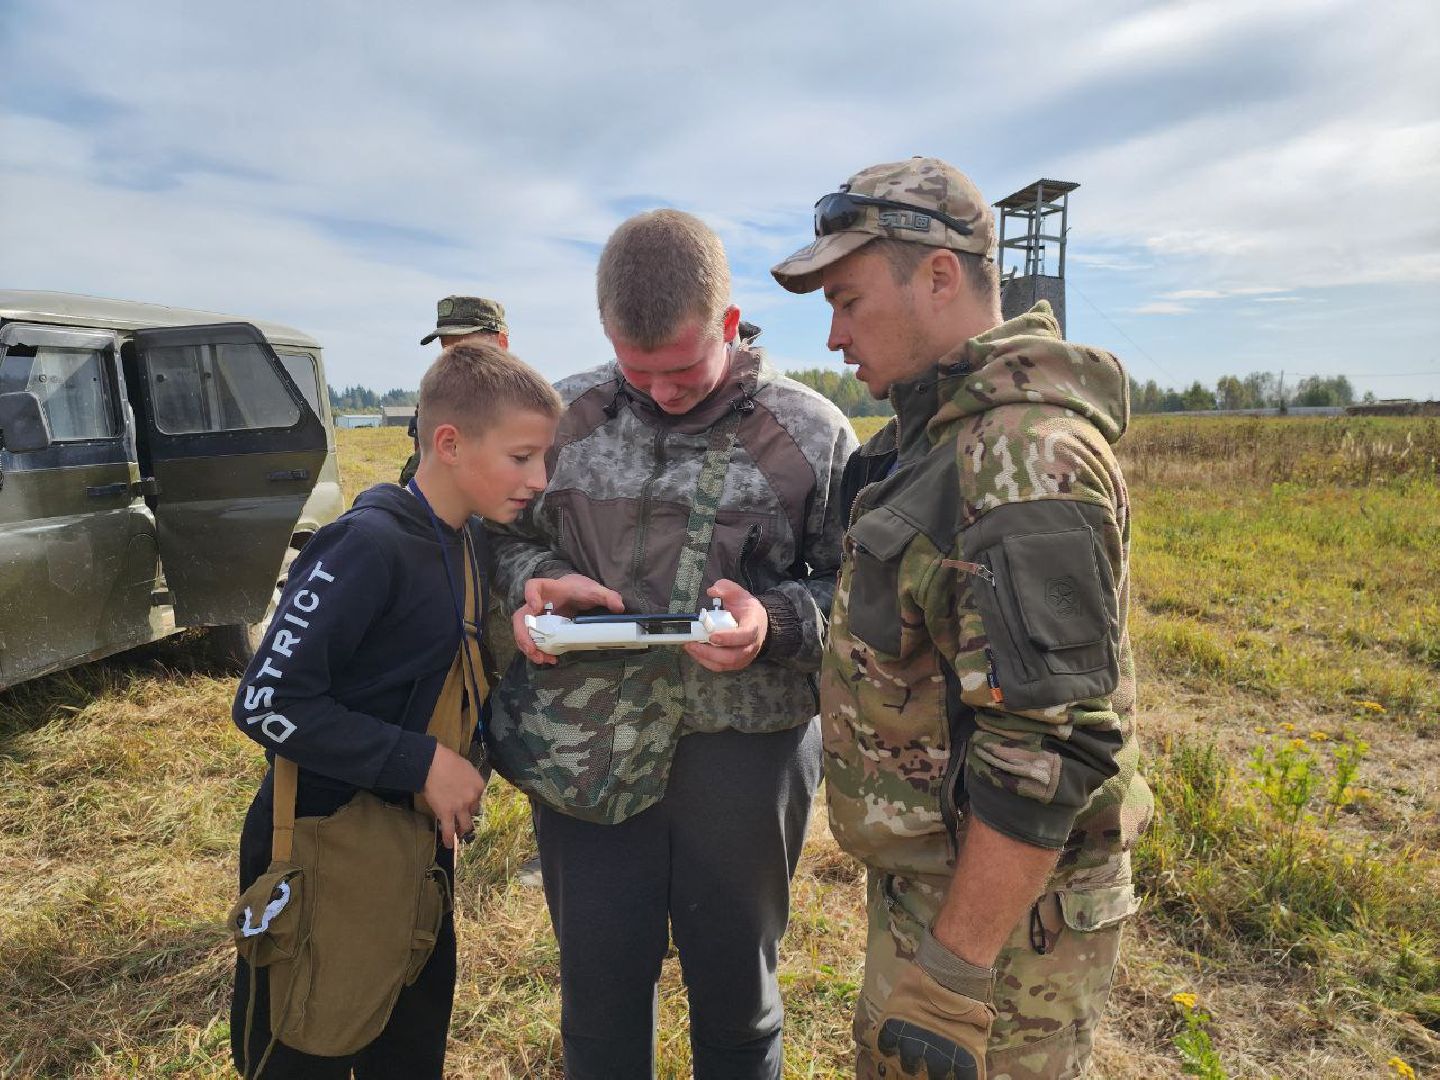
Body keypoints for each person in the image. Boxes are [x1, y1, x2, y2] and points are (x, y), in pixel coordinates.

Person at [771, 157, 1153, 1080]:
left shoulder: (1019, 460)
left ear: (939, 276)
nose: (833, 336)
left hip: (1003, 936)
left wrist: (952, 973)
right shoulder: (934, 441)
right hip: (945, 894)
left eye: (849, 301)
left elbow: (1050, 744)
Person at [489, 209, 857, 1078]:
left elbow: (871, 600)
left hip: (745, 761)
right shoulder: (560, 422)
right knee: (601, 999)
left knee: (737, 1000)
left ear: (730, 326)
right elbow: (492, 541)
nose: (660, 391)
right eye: (637, 368)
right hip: (585, 757)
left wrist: (777, 624)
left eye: (685, 367)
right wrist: (528, 582)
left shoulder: (809, 434)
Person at [229, 341, 561, 1078]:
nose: (537, 481)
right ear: (448, 443)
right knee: (302, 1046)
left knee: (409, 1050)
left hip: (416, 856)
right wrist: (419, 763)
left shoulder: (469, 539)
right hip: (322, 852)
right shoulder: (364, 547)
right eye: (521, 458)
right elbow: (264, 702)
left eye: (544, 459)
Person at [400, 295, 510, 485]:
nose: (454, 360)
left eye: (465, 348)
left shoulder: (528, 406)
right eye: (447, 348)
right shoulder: (437, 402)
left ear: (501, 343)